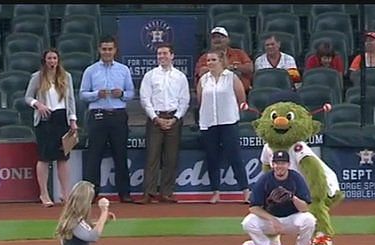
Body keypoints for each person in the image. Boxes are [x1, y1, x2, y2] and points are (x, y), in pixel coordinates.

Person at [79, 35, 135, 203]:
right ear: (99, 50)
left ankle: (124, 193)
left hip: (118, 115)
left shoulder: (123, 70)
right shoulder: (91, 70)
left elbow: (132, 93)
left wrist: (123, 94)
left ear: (115, 50)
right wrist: (97, 94)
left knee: (120, 155)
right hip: (98, 115)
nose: (107, 52)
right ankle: (91, 194)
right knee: (94, 156)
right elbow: (82, 94)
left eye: (110, 49)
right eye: (104, 49)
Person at [241, 150, 317, 245]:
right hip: (271, 222)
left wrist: (292, 197)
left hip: (292, 219)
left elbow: (304, 208)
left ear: (288, 164)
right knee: (248, 222)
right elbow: (253, 207)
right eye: (276, 163)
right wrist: (272, 219)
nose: (279, 166)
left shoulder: (296, 178)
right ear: (272, 164)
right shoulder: (265, 179)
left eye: (282, 163)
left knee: (310, 220)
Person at [137, 43, 190, 204]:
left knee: (171, 158)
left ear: (172, 55)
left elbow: (185, 100)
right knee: (152, 156)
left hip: (174, 119)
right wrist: (155, 118)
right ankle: (149, 192)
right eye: (159, 54)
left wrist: (176, 118)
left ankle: (167, 192)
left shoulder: (180, 76)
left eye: (165, 53)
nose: (162, 56)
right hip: (155, 119)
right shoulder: (150, 75)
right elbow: (145, 99)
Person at [25, 49, 78, 207]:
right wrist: (37, 104)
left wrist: (73, 120)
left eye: (54, 58)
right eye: (49, 58)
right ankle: (44, 194)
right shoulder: (37, 77)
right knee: (44, 157)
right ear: (45, 60)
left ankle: (65, 193)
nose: (52, 61)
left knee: (63, 158)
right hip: (45, 119)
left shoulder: (66, 76)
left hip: (62, 118)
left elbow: (70, 100)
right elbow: (27, 97)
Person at [196, 48, 250, 204]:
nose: (210, 63)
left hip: (229, 121)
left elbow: (241, 98)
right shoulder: (203, 80)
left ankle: (245, 191)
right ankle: (215, 192)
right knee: (212, 157)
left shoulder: (231, 77)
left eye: (214, 60)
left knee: (235, 156)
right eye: (208, 60)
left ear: (221, 61)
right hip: (209, 123)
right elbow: (201, 101)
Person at [195, 26, 254, 92]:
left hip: (241, 91)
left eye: (220, 37)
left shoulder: (239, 53)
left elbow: (250, 68)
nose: (217, 40)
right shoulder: (205, 57)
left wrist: (234, 67)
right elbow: (201, 72)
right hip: (214, 92)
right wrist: (220, 68)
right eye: (214, 37)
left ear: (228, 39)